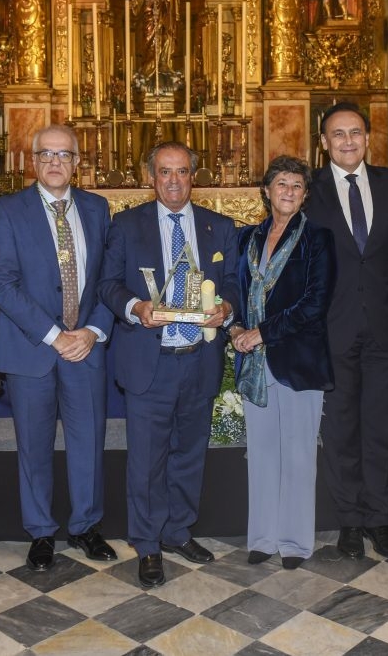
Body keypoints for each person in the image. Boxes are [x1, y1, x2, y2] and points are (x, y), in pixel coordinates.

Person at [99, 141, 239, 588]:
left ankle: (178, 531)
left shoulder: (219, 227)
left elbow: (235, 280)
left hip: (199, 360)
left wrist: (229, 308)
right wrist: (135, 306)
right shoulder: (125, 225)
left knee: (188, 454)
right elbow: (107, 285)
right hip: (149, 360)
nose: (174, 180)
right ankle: (148, 543)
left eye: (181, 172)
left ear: (192, 177)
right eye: (165, 172)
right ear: (150, 177)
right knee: (146, 460)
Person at [0, 125, 116, 571]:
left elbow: (107, 281)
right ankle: (40, 532)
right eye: (46, 154)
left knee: (88, 442)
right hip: (32, 348)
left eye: (64, 155)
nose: (55, 162)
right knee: (33, 446)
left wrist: (93, 330)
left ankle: (85, 526)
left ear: (78, 163)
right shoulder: (7, 210)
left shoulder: (98, 209)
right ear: (32, 161)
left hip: (85, 348)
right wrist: (54, 334)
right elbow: (0, 282)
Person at [305, 102, 388, 561]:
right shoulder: (308, 189)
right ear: (323, 142)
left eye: (355, 133)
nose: (347, 141)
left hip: (386, 326)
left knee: (382, 428)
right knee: (342, 428)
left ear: (369, 138)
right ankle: (349, 520)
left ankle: (380, 518)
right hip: (333, 328)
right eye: (337, 134)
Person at [230, 156, 335, 569]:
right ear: (266, 190)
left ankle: (294, 542)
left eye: (296, 186)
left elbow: (315, 303)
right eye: (281, 184)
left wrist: (263, 333)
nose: (288, 191)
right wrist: (237, 329)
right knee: (261, 453)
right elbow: (235, 292)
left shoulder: (318, 239)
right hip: (254, 361)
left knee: (297, 455)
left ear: (305, 195)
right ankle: (262, 537)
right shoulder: (246, 238)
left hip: (299, 360)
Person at [130, 0, 180, 85]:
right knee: (149, 38)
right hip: (149, 12)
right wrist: (136, 0)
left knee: (165, 37)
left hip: (164, 13)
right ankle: (149, 67)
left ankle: (163, 64)